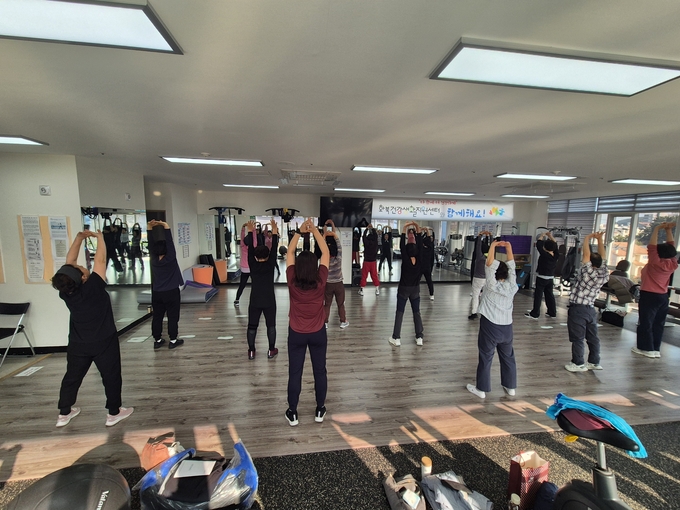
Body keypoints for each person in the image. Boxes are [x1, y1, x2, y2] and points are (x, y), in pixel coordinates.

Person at [51, 229, 133, 428]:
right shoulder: (93, 287)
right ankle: (114, 413)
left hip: (78, 343)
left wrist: (79, 239)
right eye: (81, 267)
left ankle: (64, 413)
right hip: (104, 341)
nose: (82, 266)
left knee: (72, 377)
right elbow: (101, 260)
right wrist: (100, 239)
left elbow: (69, 264)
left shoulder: (66, 292)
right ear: (83, 277)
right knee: (111, 376)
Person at [285, 218, 330, 426]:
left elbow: (289, 253)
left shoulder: (292, 280)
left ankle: (293, 412)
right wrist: (315, 232)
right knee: (320, 371)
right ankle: (320, 409)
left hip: (296, 333)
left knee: (295, 372)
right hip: (318, 333)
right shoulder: (320, 280)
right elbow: (325, 252)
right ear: (314, 267)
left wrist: (299, 232)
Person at [467, 240, 518, 398]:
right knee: (508, 357)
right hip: (507, 328)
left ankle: (481, 390)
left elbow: (489, 265)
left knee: (486, 357)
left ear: (495, 274)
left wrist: (493, 246)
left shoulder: (491, 285)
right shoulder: (512, 286)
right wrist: (509, 247)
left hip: (490, 326)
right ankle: (510, 387)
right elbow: (512, 267)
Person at [564, 232, 609, 372]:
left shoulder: (587, 272)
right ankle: (594, 362)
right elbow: (603, 257)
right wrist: (600, 240)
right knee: (593, 337)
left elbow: (585, 255)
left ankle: (578, 363)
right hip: (590, 309)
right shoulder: (604, 273)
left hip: (578, 310)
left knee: (577, 338)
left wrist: (587, 238)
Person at [633, 222, 678, 358]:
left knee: (645, 323)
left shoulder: (655, 262)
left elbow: (651, 247)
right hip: (663, 297)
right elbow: (671, 247)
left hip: (649, 296)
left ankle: (645, 349)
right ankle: (655, 349)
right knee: (658, 324)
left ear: (658, 253)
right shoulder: (673, 263)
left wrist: (657, 228)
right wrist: (668, 230)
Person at [243, 219, 279, 360]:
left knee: (252, 326)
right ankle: (271, 350)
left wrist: (250, 231)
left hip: (255, 300)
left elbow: (250, 249)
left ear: (255, 256)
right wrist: (274, 232)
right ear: (268, 255)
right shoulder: (270, 264)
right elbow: (274, 247)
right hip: (269, 300)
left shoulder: (252, 263)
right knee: (271, 326)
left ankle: (251, 351)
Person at [147, 220, 185, 350]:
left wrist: (149, 228)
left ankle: (157, 340)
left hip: (157, 293)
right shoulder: (170, 258)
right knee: (173, 316)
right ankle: (173, 340)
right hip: (171, 292)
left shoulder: (153, 260)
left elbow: (151, 245)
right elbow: (170, 242)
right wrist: (166, 226)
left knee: (157, 316)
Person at [389, 222, 424, 347]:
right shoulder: (419, 258)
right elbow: (420, 244)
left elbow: (402, 246)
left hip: (403, 289)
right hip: (415, 290)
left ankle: (396, 338)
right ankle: (419, 337)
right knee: (416, 312)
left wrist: (404, 228)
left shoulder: (405, 257)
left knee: (400, 312)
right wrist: (417, 227)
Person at [526, 231, 559, 320]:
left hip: (541, 278)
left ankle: (535, 314)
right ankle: (552, 312)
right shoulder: (556, 255)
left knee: (538, 296)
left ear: (545, 248)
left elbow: (539, 244)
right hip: (550, 278)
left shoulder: (544, 254)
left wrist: (542, 235)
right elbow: (555, 244)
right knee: (549, 295)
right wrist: (550, 236)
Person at [322, 220, 349, 329]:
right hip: (338, 284)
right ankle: (343, 322)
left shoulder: (324, 258)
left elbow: (323, 246)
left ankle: (325, 323)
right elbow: (338, 245)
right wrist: (333, 229)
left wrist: (325, 233)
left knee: (327, 304)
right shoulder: (338, 258)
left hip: (328, 284)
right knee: (340, 304)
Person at [468, 231, 491, 320]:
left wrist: (480, 236)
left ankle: (474, 313)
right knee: (486, 296)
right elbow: (492, 247)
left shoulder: (479, 257)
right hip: (487, 279)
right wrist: (490, 236)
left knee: (475, 296)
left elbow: (478, 246)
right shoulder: (490, 258)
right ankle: (486, 313)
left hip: (477, 279)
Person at [359, 223, 380, 295]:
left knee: (364, 276)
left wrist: (366, 229)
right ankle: (377, 289)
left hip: (366, 261)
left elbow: (364, 237)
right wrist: (372, 228)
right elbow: (376, 236)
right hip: (373, 262)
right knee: (374, 276)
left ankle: (362, 290)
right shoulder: (375, 243)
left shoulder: (366, 243)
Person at [234, 223, 251, 306]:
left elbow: (242, 237)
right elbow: (254, 239)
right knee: (256, 285)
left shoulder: (242, 246)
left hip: (244, 269)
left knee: (242, 285)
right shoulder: (253, 247)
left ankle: (237, 300)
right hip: (252, 268)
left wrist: (243, 227)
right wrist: (252, 229)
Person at [420, 227, 436, 300]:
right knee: (429, 281)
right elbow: (429, 239)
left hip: (421, 267)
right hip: (427, 267)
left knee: (416, 281)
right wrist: (427, 230)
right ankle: (431, 294)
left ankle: (415, 293)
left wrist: (423, 231)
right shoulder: (430, 248)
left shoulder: (421, 249)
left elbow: (419, 239)